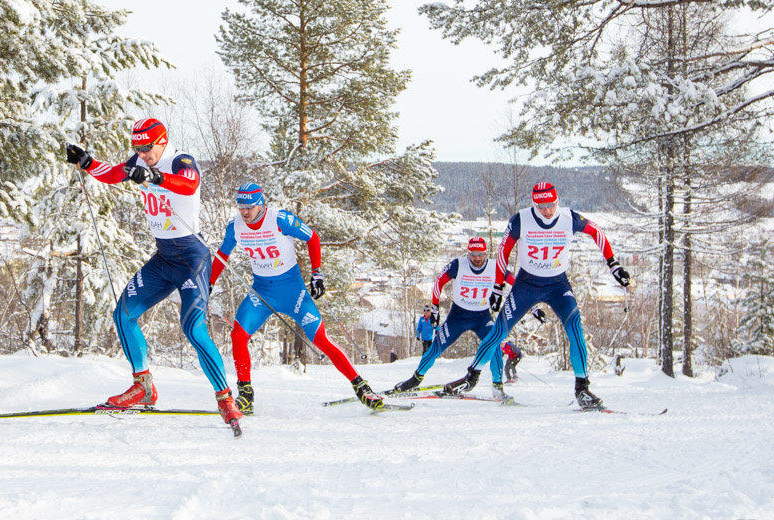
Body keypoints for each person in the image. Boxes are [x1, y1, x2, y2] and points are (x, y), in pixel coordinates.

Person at [64, 118, 242, 429]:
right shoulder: (139, 160)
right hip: (164, 258)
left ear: (161, 142)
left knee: (193, 328)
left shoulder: (180, 159)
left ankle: (226, 398)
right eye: (137, 149)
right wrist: (87, 162)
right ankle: (143, 387)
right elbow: (115, 174)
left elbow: (189, 184)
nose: (141, 154)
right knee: (123, 314)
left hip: (191, 258)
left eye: (146, 148)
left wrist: (155, 176)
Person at [444, 182, 631, 410]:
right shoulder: (520, 220)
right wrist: (497, 288)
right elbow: (504, 252)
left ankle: (582, 389)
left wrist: (613, 265)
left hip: (557, 284)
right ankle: (471, 378)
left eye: (551, 204)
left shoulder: (568, 218)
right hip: (526, 284)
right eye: (541, 206)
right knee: (499, 330)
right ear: (534, 204)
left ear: (557, 201)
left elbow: (596, 231)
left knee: (575, 329)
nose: (547, 210)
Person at [209, 183, 384, 413]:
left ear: (261, 204)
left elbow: (313, 238)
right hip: (262, 292)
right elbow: (223, 254)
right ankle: (246, 394)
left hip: (293, 291)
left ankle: (361, 387)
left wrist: (317, 273)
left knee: (321, 338)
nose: (244, 212)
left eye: (249, 207)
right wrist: (210, 282)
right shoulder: (235, 227)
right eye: (241, 207)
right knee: (238, 334)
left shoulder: (280, 219)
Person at [393, 237, 526, 402]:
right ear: (468, 253)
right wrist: (435, 308)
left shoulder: (494, 266)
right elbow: (438, 282)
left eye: (481, 254)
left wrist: (532, 306)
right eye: (473, 254)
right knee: (435, 349)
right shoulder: (458, 264)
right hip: (458, 316)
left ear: (486, 253)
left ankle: (498, 387)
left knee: (495, 347)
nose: (477, 258)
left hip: (482, 317)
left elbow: (518, 283)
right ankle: (415, 380)